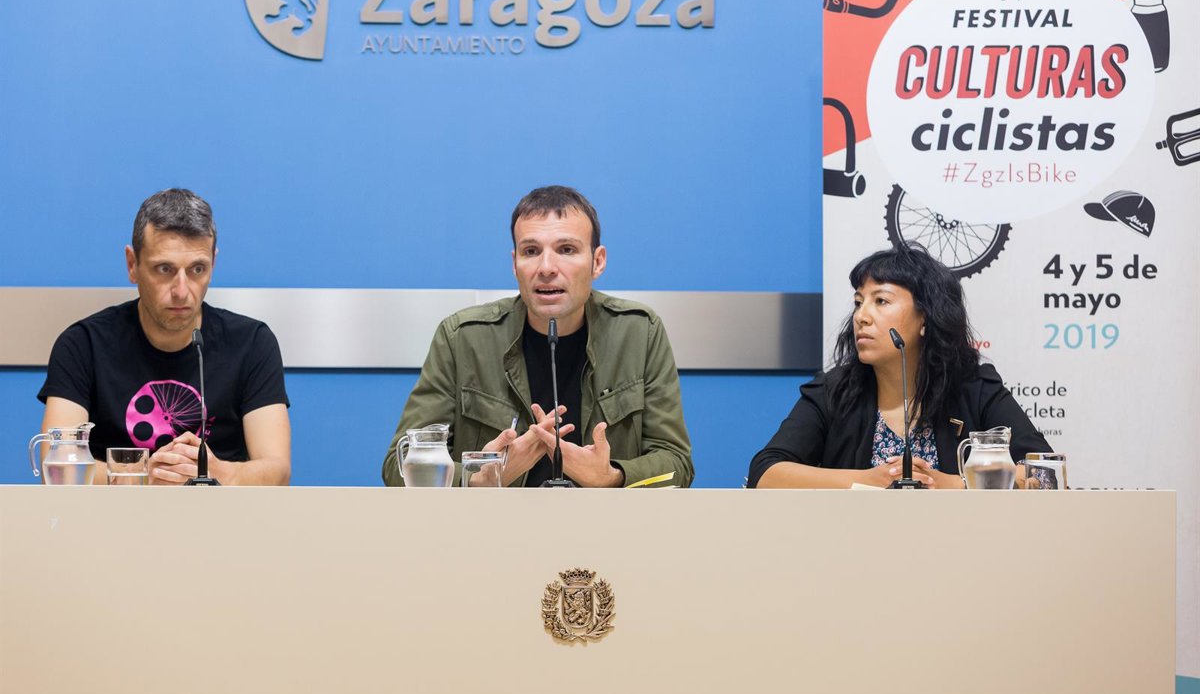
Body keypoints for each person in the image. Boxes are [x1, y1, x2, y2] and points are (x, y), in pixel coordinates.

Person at [382, 185, 693, 488]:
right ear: (515, 264)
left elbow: (677, 464)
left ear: (597, 261)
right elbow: (398, 467)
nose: (546, 268)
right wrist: (479, 479)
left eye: (566, 249)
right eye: (531, 251)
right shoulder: (462, 338)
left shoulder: (639, 332)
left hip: (605, 522)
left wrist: (611, 477)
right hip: (493, 522)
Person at [37, 189, 292, 485]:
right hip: (114, 514)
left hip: (219, 512)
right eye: (164, 269)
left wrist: (218, 472)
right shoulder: (83, 345)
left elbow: (277, 471)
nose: (182, 291)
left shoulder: (252, 343)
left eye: (197, 269)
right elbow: (59, 468)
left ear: (213, 264)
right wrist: (145, 475)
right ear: (132, 264)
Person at [748, 246, 1049, 489]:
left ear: (925, 318)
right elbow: (766, 472)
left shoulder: (974, 388)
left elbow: (1045, 471)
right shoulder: (834, 391)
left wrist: (955, 485)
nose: (861, 316)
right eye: (858, 302)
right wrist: (866, 480)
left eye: (881, 301)